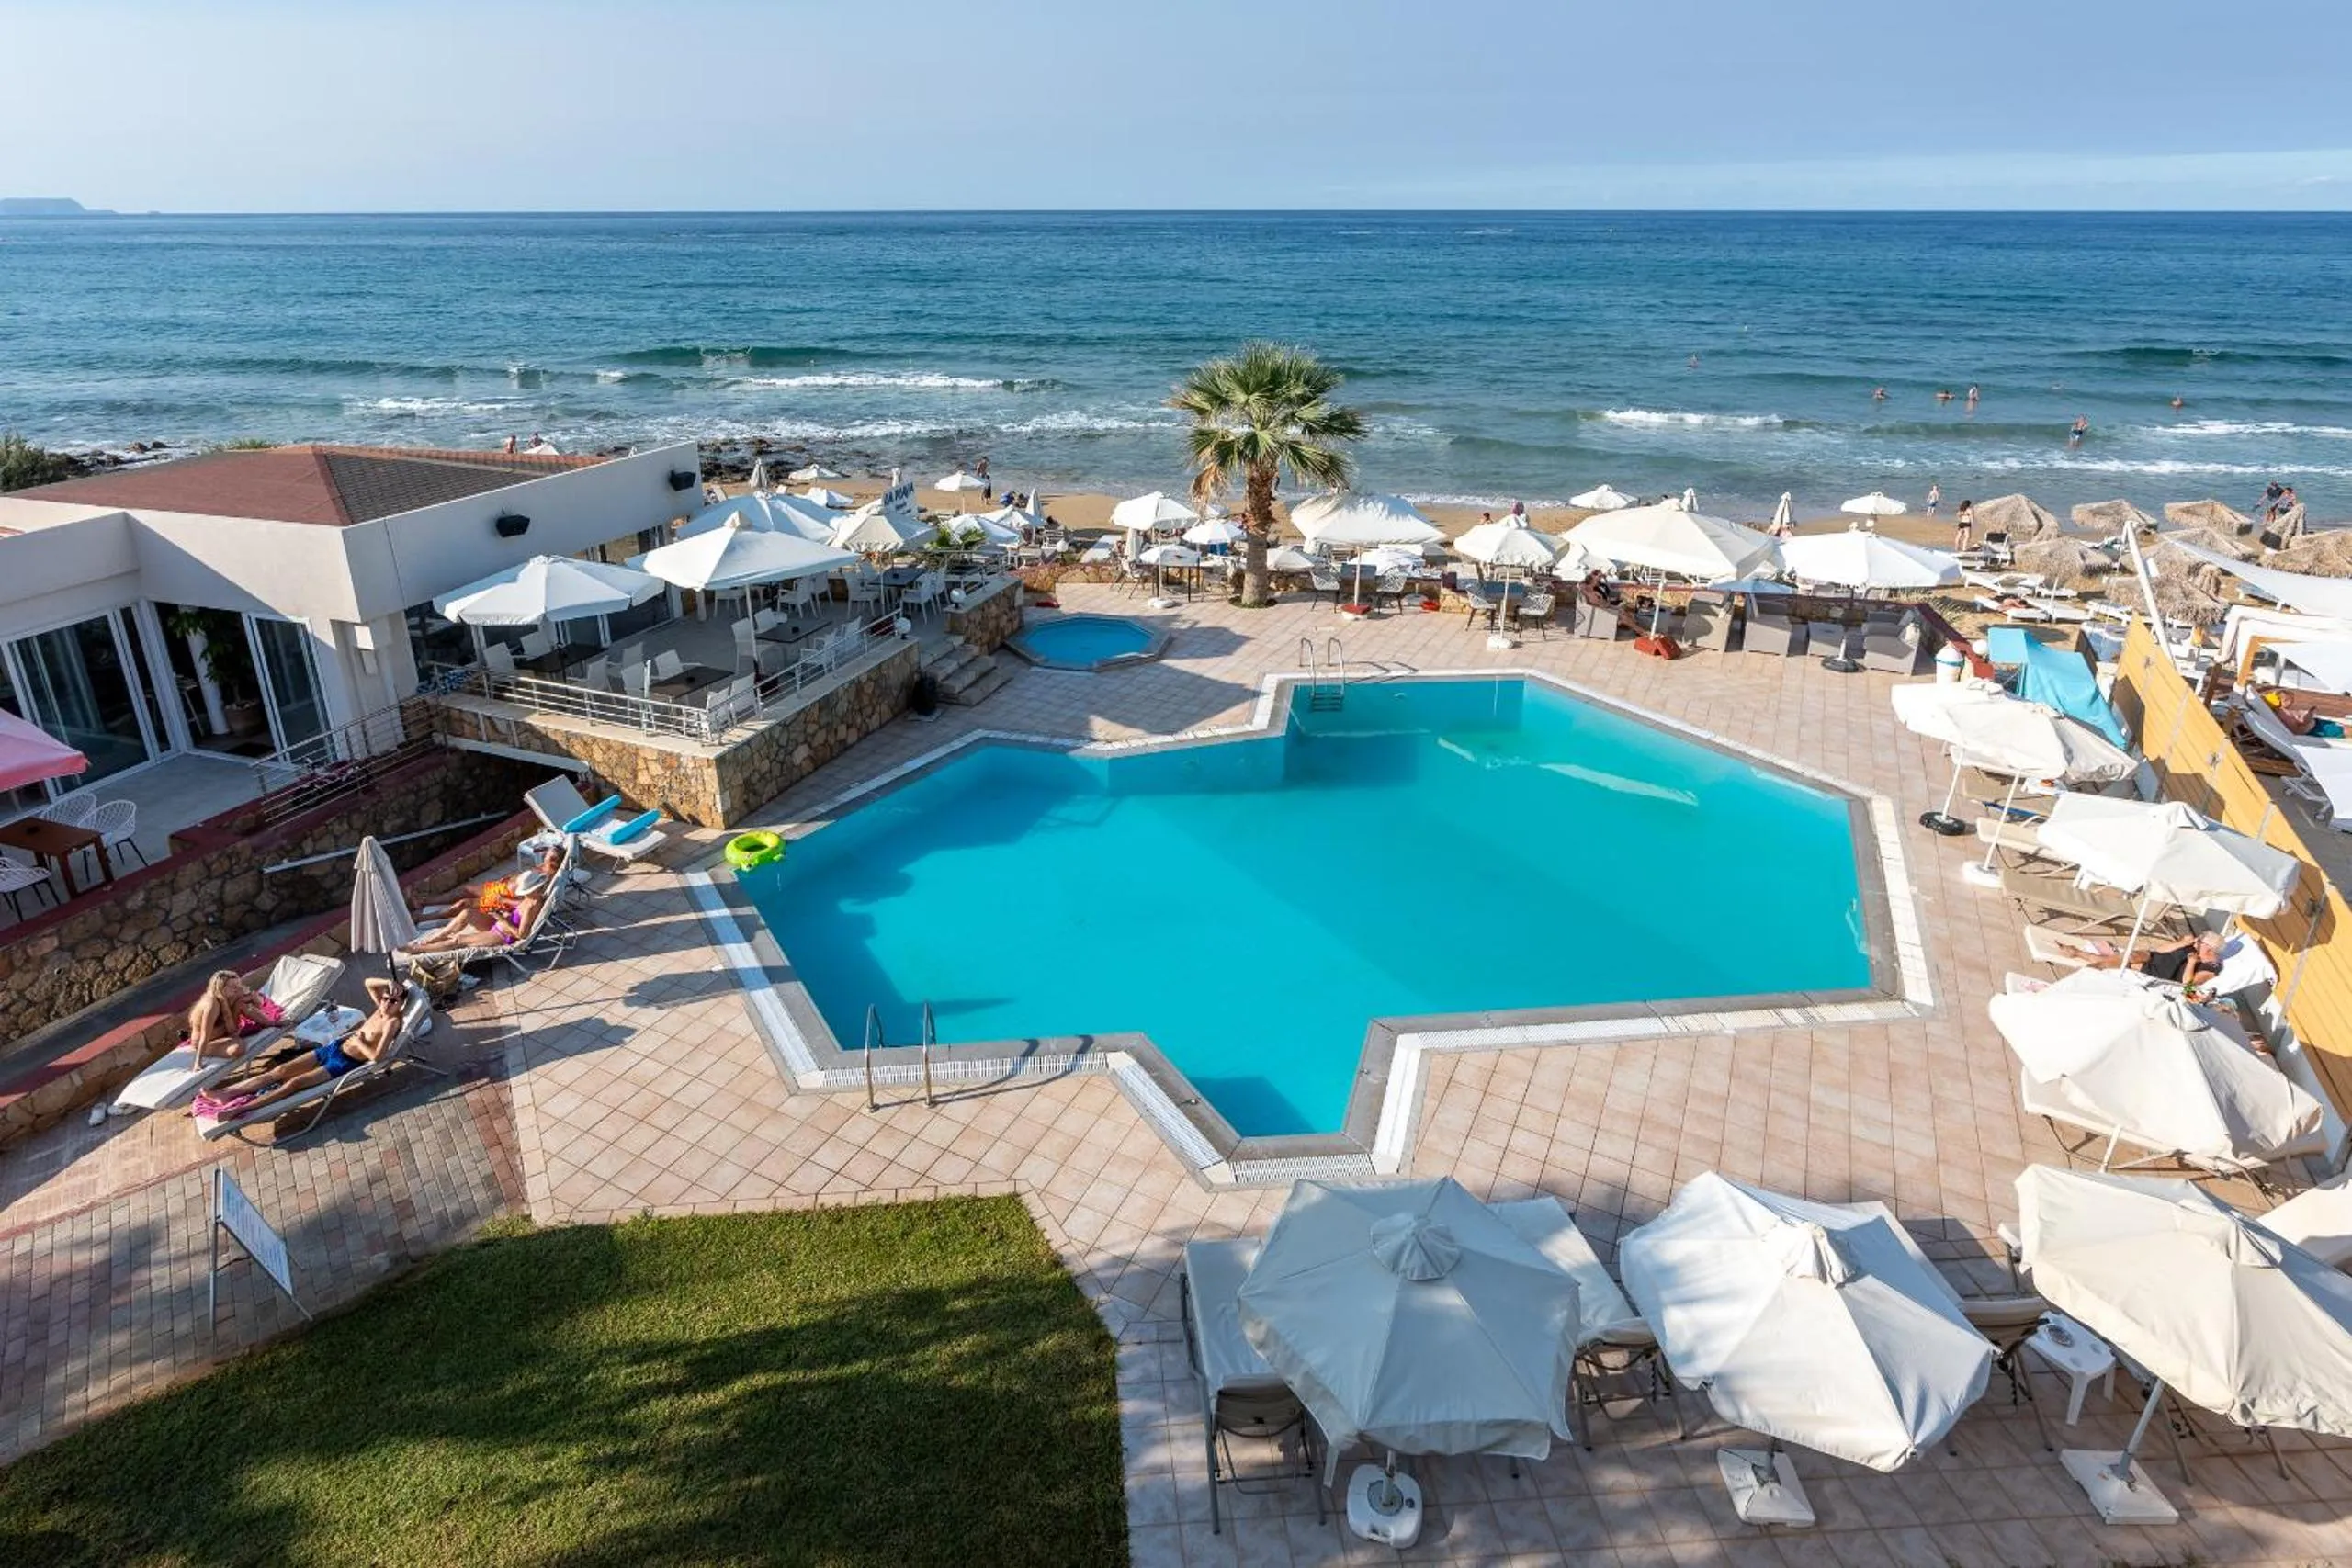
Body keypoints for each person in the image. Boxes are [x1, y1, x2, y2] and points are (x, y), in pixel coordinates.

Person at [194, 978, 407, 1122]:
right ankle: (226, 1094)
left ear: (400, 1005)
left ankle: (239, 1110)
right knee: (279, 1071)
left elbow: (377, 1057)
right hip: (334, 1047)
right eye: (386, 998)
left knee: (294, 1084)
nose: (386, 1003)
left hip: (344, 1062)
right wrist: (389, 982)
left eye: (393, 1001)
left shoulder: (391, 1023)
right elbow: (368, 982)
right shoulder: (381, 1007)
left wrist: (359, 1042)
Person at [407, 868, 551, 953]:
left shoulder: (532, 906)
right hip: (501, 924)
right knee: (467, 913)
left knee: (458, 940)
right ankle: (436, 938)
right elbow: (517, 912)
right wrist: (503, 913)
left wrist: (501, 919)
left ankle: (419, 949)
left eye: (525, 891)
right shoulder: (533, 899)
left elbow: (521, 935)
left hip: (502, 936)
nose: (523, 893)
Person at [2049, 931, 2223, 989]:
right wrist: (2182, 943)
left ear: (2208, 947)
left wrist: (2192, 962)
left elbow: (2188, 984)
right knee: (2132, 956)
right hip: (2152, 957)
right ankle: (2088, 960)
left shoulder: (2212, 966)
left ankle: (2084, 960)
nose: (2196, 941)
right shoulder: (2191, 946)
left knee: (2121, 962)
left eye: (2199, 940)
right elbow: (2159, 950)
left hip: (2158, 973)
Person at [187, 970, 284, 1066]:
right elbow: (205, 1034)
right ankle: (206, 1051)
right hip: (207, 1041)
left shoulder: (231, 996)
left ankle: (272, 1023)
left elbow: (254, 1009)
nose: (237, 989)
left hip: (224, 1033)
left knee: (241, 1004)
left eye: (238, 985)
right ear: (222, 988)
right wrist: (198, 1063)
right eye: (233, 987)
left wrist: (255, 1002)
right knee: (237, 1049)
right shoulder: (212, 1004)